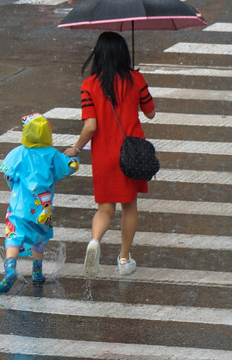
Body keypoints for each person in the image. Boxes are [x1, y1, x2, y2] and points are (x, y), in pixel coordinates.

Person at [64, 32, 155, 277]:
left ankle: (94, 241)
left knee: (105, 209)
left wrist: (76, 147)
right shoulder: (136, 79)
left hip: (103, 156)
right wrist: (137, 82)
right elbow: (150, 112)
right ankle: (124, 259)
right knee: (129, 206)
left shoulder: (90, 85)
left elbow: (91, 126)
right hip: (131, 155)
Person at [0, 113, 79, 294]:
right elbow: (69, 167)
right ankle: (37, 273)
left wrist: (13, 186)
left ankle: (10, 267)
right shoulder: (52, 155)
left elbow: (8, 174)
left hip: (19, 207)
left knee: (14, 234)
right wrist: (74, 157)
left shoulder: (18, 153)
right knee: (40, 236)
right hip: (42, 208)